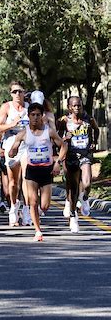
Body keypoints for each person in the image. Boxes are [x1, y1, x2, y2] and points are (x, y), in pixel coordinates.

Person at [8, 103, 67, 241]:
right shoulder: (23, 133)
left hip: (46, 169)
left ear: (42, 116)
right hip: (32, 170)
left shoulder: (49, 131)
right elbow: (13, 149)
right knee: (32, 201)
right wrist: (12, 151)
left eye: (38, 115)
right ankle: (38, 231)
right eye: (32, 115)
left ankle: (38, 214)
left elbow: (63, 146)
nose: (35, 117)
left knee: (45, 206)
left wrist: (57, 163)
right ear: (28, 116)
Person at [58, 96, 99, 232]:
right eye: (74, 106)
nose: (77, 108)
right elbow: (57, 138)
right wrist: (65, 138)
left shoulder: (88, 119)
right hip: (71, 156)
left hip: (85, 154)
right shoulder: (64, 121)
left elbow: (96, 129)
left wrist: (94, 141)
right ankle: (73, 214)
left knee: (87, 182)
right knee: (73, 187)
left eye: (79, 105)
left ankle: (84, 197)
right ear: (69, 107)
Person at [0, 81, 30, 227]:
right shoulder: (6, 107)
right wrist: (12, 124)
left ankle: (27, 210)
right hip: (11, 145)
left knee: (27, 178)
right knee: (13, 182)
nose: (17, 94)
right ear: (10, 94)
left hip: (27, 145)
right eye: (14, 92)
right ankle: (14, 207)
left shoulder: (30, 107)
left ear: (24, 93)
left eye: (20, 91)